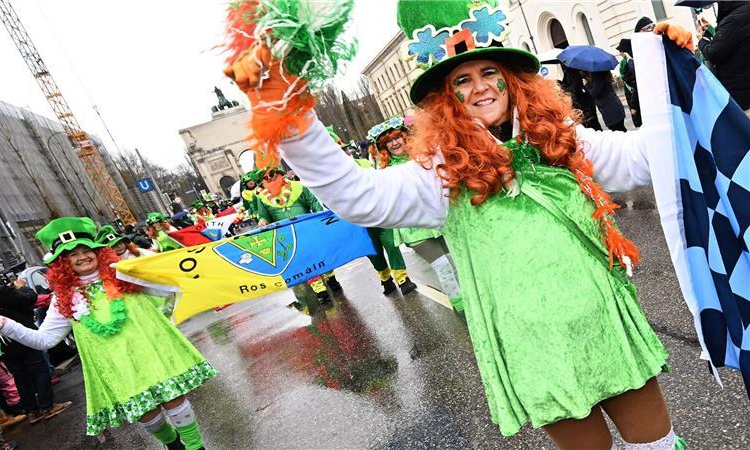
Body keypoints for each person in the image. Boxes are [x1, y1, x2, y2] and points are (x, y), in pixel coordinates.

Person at [225, 0, 694, 447]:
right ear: (445, 101)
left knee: (657, 446)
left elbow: (644, 157)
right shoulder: (440, 174)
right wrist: (288, 115)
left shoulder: (562, 142)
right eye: (461, 81)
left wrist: (667, 72)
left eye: (490, 72)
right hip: (536, 348)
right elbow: (357, 196)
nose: (481, 87)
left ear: (514, 81)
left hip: (604, 321)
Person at [0, 217, 216, 449]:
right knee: (145, 411)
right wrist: (4, 324)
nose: (81, 256)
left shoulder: (123, 273)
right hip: (117, 366)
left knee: (173, 398)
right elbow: (44, 340)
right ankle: (173, 445)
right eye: (72, 254)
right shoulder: (65, 298)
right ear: (62, 263)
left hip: (152, 350)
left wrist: (196, 270)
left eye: (85, 249)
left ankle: (194, 446)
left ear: (97, 252)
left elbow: (168, 287)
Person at [0, 268, 72, 425]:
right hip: (23, 335)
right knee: (40, 369)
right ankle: (47, 406)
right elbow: (29, 299)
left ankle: (32, 412)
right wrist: (21, 287)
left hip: (0, 342)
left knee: (19, 376)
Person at [367, 117, 461, 308]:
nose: (394, 144)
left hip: (439, 219)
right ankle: (461, 306)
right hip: (414, 228)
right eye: (388, 142)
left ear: (404, 137)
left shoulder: (423, 158)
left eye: (396, 138)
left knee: (455, 263)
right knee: (442, 265)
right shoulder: (385, 173)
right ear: (383, 148)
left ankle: (472, 302)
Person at [327, 124, 417, 296]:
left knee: (391, 243)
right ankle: (385, 278)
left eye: (342, 150)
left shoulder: (364, 163)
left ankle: (402, 278)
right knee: (373, 252)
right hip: (358, 222)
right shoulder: (329, 178)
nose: (342, 155)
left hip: (379, 214)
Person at [255, 168, 343, 303]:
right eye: (265, 178)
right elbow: (263, 215)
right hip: (288, 235)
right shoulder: (262, 199)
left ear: (280, 174)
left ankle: (330, 278)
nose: (270, 179)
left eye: (272, 175)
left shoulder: (298, 187)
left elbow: (313, 202)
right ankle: (320, 290)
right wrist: (262, 221)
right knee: (305, 261)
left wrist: (320, 218)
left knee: (320, 255)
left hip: (308, 229)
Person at [696, 1, 750, 113]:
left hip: (740, 97)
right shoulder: (743, 12)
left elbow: (713, 53)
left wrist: (702, 40)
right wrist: (714, 31)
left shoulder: (733, 19)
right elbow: (735, 41)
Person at [617, 38, 641, 127]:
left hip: (635, 100)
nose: (619, 53)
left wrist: (633, 106)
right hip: (633, 98)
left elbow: (636, 86)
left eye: (620, 51)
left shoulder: (630, 63)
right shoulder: (626, 63)